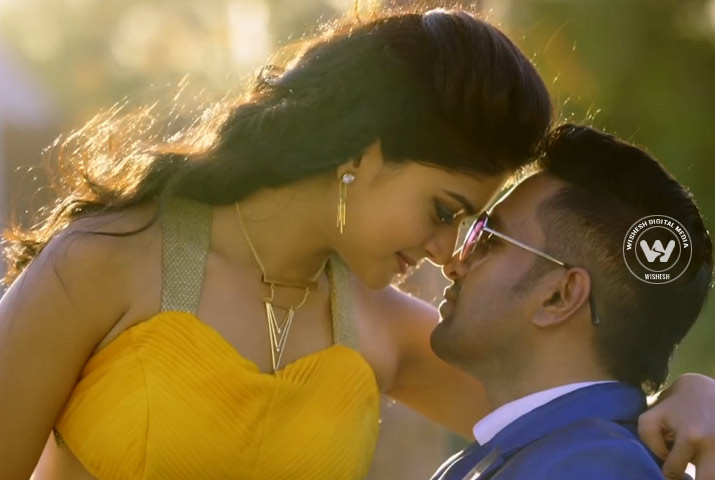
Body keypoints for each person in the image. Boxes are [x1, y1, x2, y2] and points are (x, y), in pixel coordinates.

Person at [0, 7, 712, 480]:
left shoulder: (383, 328)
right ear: (363, 151)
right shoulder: (104, 262)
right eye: (443, 210)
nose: (448, 251)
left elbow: (573, 408)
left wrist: (696, 396)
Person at [430, 124, 713, 480]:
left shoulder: (598, 466)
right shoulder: (547, 452)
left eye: (488, 240)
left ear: (559, 296)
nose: (454, 263)